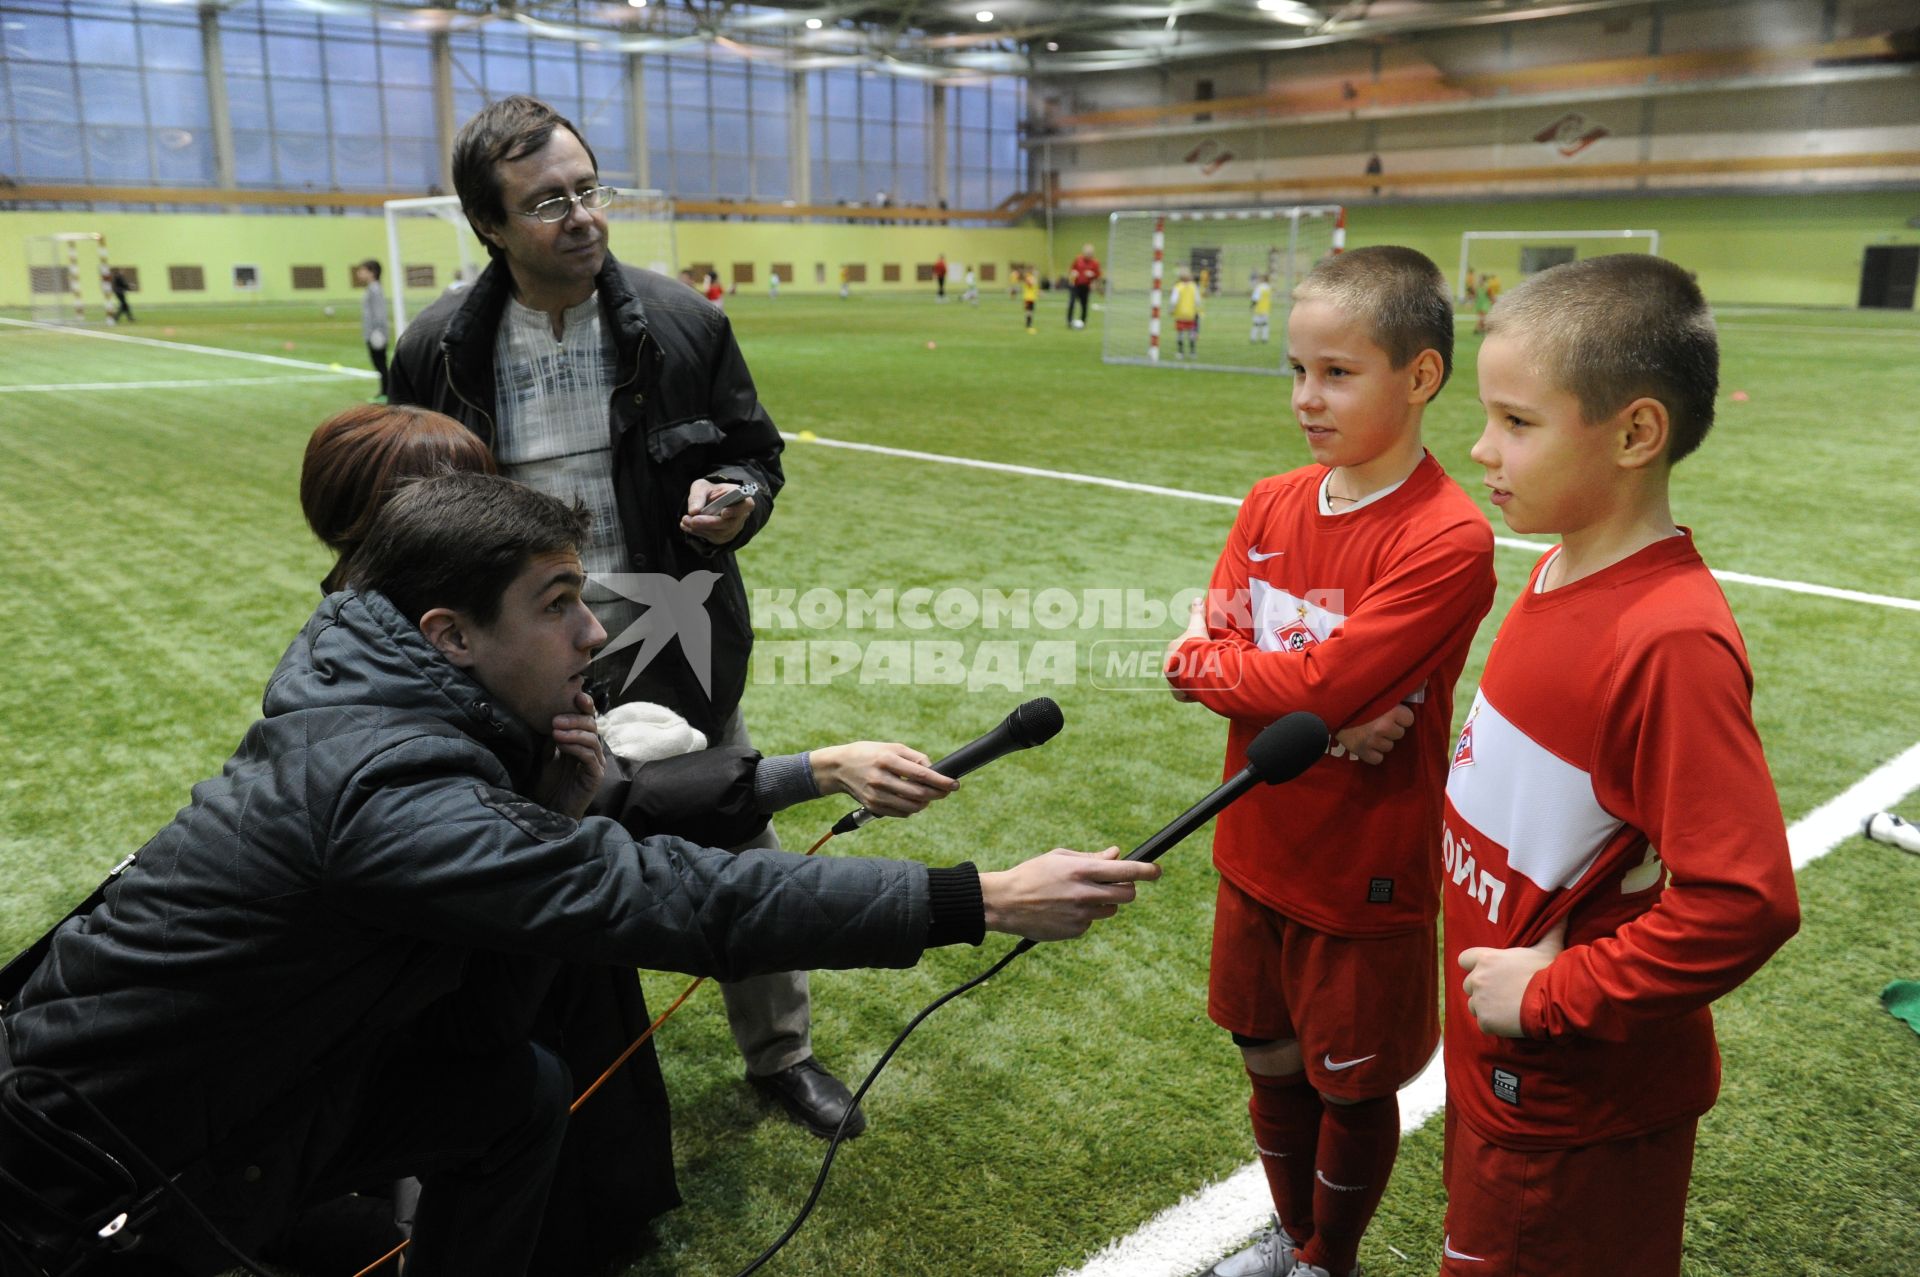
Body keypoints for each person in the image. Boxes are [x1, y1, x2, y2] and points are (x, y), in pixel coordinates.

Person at [0, 471, 1156, 1277]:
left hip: (253, 1089)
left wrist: (549, 801)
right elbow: (662, 892)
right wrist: (981, 895)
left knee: (515, 1089)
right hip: (92, 1170)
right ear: (450, 633)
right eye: (559, 606)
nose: (594, 631)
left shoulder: (400, 712)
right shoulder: (382, 781)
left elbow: (541, 919)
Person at [387, 94, 863, 1141]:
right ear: (491, 226)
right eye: (547, 201)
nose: (582, 215)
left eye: (588, 188)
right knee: (533, 869)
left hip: (671, 629)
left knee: (739, 835)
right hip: (517, 665)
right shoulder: (434, 354)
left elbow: (755, 452)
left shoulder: (684, 322)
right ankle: (569, 1073)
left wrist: (737, 501)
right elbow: (405, 513)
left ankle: (782, 1051)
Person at [1440, 254, 1799, 1275]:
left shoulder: (1667, 641)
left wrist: (1552, 995)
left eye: (1517, 421)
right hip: (1505, 1073)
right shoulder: (1557, 563)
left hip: (1570, 1104)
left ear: (1636, 433)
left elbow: (1745, 898)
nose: (1480, 447)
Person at [1165, 246, 1496, 1277]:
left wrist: (1286, 684)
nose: (1307, 398)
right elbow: (1194, 658)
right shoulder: (1270, 501)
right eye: (1296, 371)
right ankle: (1291, 1229)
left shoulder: (1447, 537)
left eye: (1338, 372)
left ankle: (1327, 1257)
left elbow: (1266, 672)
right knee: (1263, 1050)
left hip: (1362, 865)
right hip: (1254, 839)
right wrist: (1318, 700)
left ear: (1422, 375)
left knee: (1351, 1082)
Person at [353, 259, 389, 403]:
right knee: (379, 364)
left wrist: (378, 332)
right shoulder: (371, 288)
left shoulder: (375, 289)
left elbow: (379, 312)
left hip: (377, 334)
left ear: (372, 272)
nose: (359, 273)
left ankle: (387, 393)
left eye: (363, 270)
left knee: (381, 364)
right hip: (372, 333)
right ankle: (384, 392)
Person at [1170, 268, 1202, 361]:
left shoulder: (1178, 286)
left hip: (1180, 314)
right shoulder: (1193, 286)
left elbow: (1173, 300)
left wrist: (1171, 309)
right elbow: (1198, 301)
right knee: (1191, 334)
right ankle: (1192, 352)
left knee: (1180, 334)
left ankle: (1180, 353)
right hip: (1190, 315)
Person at [1067, 243, 1101, 329]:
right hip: (1075, 285)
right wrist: (1073, 273)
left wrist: (1092, 275)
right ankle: (1069, 321)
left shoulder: (1095, 263)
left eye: (1090, 253)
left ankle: (1083, 321)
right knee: (1072, 302)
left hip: (1085, 286)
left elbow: (1098, 275)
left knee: (1084, 304)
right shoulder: (1078, 259)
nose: (1089, 254)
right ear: (1084, 252)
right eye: (1087, 253)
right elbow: (1071, 269)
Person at [1249, 273, 1274, 344]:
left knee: (1256, 324)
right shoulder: (1269, 288)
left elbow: (1255, 298)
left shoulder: (1259, 287)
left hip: (1259, 308)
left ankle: (1253, 338)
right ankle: (1264, 338)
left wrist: (1252, 306)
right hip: (1266, 308)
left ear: (1262, 279)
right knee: (1265, 324)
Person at [1021, 266, 1039, 332]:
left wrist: (1038, 293)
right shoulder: (1028, 277)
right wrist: (1034, 280)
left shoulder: (1033, 278)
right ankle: (1028, 325)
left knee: (1031, 312)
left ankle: (1029, 325)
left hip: (1032, 298)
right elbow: (1030, 284)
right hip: (1028, 298)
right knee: (1028, 312)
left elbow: (1035, 288)